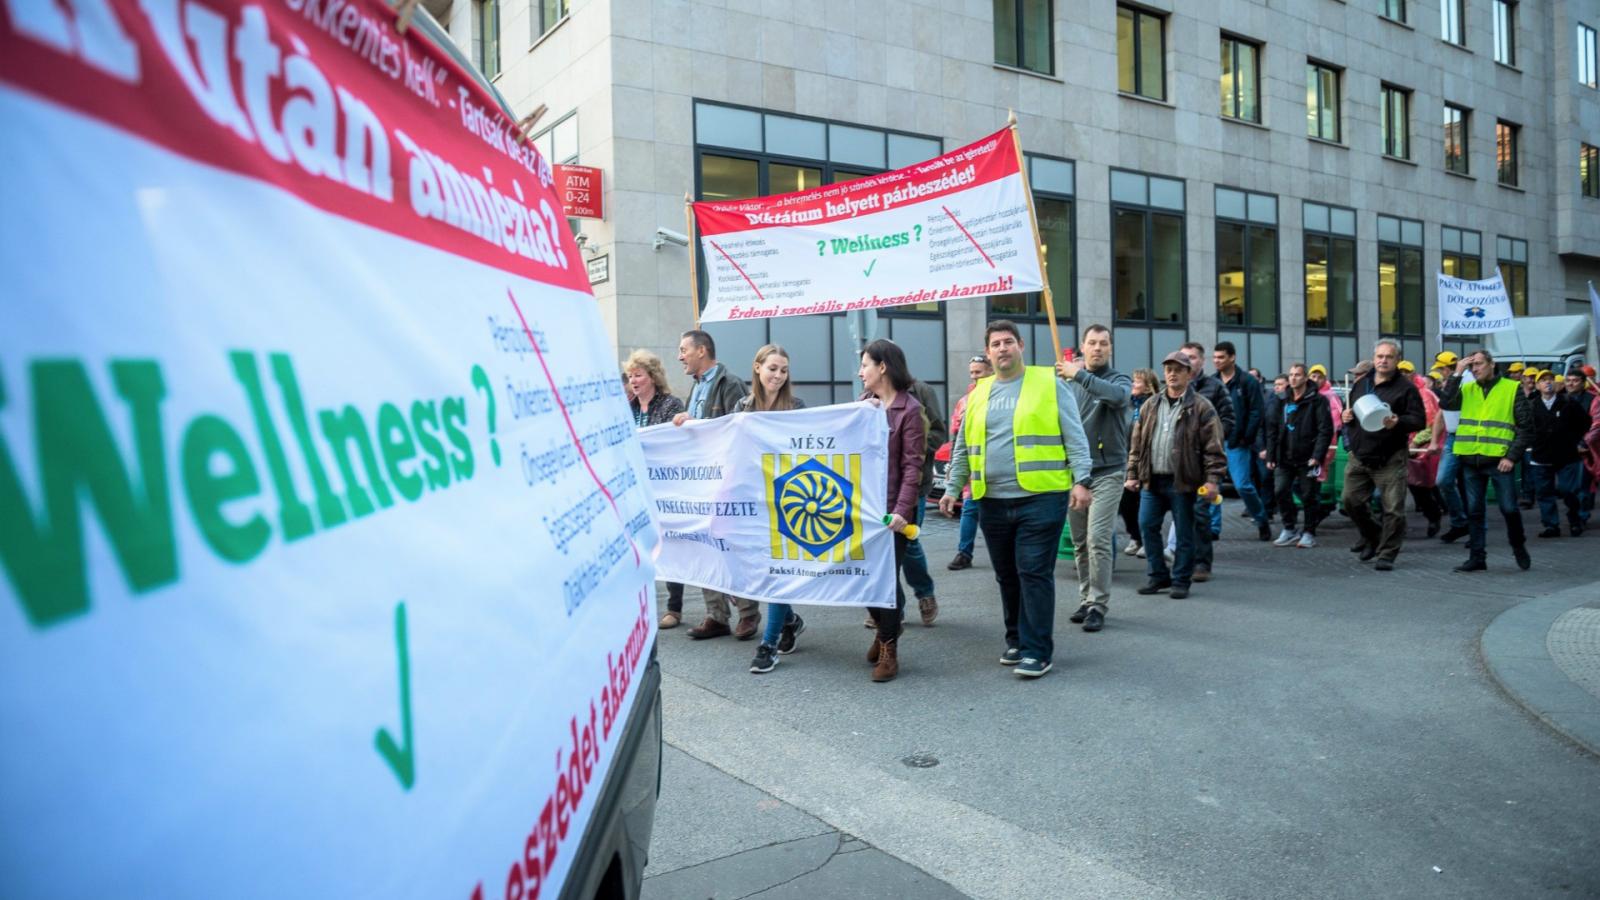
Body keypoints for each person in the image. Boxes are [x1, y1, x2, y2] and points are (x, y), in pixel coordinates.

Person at [940, 320, 1092, 679]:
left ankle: (1038, 650)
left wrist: (1082, 480)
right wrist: (951, 489)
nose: (1003, 348)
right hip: (990, 500)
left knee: (1034, 572)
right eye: (996, 343)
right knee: (1007, 575)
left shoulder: (1049, 384)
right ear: (989, 351)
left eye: (1009, 341)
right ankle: (1016, 640)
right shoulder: (978, 392)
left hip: (1041, 497)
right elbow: (963, 448)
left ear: (1021, 345)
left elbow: (1075, 435)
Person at [673, 329, 759, 639]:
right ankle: (717, 615)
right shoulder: (695, 389)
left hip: (726, 482)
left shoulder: (730, 384)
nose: (680, 356)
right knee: (705, 547)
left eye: (684, 349)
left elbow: (737, 430)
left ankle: (748, 613)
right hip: (701, 482)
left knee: (732, 547)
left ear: (702, 351)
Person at [1125, 350, 1227, 599]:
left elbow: (1214, 448)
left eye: (1178, 369)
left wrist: (1213, 480)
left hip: (1183, 480)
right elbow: (1137, 444)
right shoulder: (1151, 404)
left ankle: (1181, 579)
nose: (1172, 374)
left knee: (1184, 532)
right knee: (1146, 525)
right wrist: (1133, 473)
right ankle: (1158, 575)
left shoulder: (1201, 406)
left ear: (1188, 374)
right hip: (1152, 479)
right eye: (1168, 369)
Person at [737, 346, 813, 674]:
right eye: (772, 368)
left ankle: (768, 646)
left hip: (787, 500)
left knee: (780, 571)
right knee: (765, 572)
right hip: (754, 500)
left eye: (783, 370)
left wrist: (861, 409)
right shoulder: (742, 407)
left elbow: (820, 435)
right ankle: (790, 621)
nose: (778, 376)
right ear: (757, 368)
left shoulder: (796, 407)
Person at [1057, 324, 1133, 634]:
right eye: (1092, 343)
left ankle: (1098, 605)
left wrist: (1078, 374)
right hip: (1075, 473)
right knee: (1079, 542)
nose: (1098, 348)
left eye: (1103, 343)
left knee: (1098, 538)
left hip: (1108, 471)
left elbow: (1118, 398)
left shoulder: (1118, 380)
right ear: (1083, 346)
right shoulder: (1065, 382)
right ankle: (1086, 598)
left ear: (1110, 348)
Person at [859, 339, 927, 682]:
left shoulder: (910, 410)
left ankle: (889, 649)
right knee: (862, 579)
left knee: (883, 581)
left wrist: (902, 511)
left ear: (882, 367)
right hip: (862, 511)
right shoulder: (861, 406)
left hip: (891, 514)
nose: (861, 372)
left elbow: (912, 466)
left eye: (865, 365)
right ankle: (889, 628)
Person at [1439, 350, 1534, 572]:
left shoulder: (1511, 388)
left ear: (1492, 364)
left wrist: (1511, 457)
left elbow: (1526, 428)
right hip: (1471, 458)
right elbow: (1445, 403)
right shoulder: (1467, 387)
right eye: (1472, 366)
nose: (1475, 369)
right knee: (1474, 511)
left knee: (1509, 508)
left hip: (1499, 460)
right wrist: (1457, 374)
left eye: (1479, 364)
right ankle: (1477, 557)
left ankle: (1518, 545)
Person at [1339, 339, 1425, 571]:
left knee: (1393, 509)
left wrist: (1398, 422)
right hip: (1360, 454)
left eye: (1388, 357)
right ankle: (1374, 535)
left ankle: (1387, 553)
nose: (1383, 360)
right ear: (1374, 358)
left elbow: (1419, 420)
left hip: (1390, 456)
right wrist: (1346, 417)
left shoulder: (1406, 388)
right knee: (1350, 501)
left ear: (1397, 360)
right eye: (1379, 356)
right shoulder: (1362, 383)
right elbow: (1351, 413)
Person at [625, 349, 689, 628]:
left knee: (671, 544)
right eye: (630, 376)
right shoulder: (627, 409)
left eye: (638, 375)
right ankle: (640, 605)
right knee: (639, 546)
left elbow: (675, 443)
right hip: (637, 488)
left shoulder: (670, 405)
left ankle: (674, 609)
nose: (633, 381)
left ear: (652, 377)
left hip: (666, 485)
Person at [897, 375, 948, 626]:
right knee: (884, 548)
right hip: (879, 487)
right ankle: (891, 607)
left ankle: (925, 593)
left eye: (866, 365)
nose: (862, 373)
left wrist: (908, 443)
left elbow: (939, 433)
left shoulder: (921, 391)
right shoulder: (868, 397)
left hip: (914, 482)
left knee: (908, 542)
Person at [1180, 342, 1233, 582]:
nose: (1187, 361)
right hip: (1178, 462)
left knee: (1201, 512)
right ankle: (1183, 561)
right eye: (1184, 357)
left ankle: (1202, 563)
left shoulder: (1215, 387)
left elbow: (1229, 419)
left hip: (1204, 461)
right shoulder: (1174, 386)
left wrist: (1213, 442)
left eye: (1191, 357)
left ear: (1201, 361)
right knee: (1183, 515)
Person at [1265, 363, 1332, 548]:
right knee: (1280, 491)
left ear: (1305, 378)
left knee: (1309, 495)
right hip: (1284, 456)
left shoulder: (1317, 401)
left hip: (1308, 457)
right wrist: (1271, 455)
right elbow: (1272, 428)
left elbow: (1325, 430)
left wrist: (1317, 455)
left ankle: (1309, 532)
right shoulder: (1281, 400)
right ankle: (1289, 528)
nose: (1293, 378)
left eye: (1297, 375)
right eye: (1291, 375)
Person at [1212, 341, 1271, 541]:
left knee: (1243, 485)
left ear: (1232, 357)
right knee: (1213, 486)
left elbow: (1257, 412)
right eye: (1214, 357)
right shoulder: (1212, 382)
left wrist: (1246, 437)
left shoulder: (1247, 381)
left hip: (1238, 442)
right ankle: (1213, 528)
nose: (1216, 361)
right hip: (1215, 443)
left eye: (1221, 357)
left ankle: (1262, 520)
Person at [1526, 369, 1590, 539]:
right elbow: (1524, 427)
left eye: (1551, 379)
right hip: (1541, 456)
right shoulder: (1532, 405)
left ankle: (1575, 520)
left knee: (1569, 490)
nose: (1548, 382)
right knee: (1544, 493)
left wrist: (1575, 440)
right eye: (1543, 380)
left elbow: (1585, 422)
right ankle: (1551, 525)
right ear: (1538, 386)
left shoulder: (1568, 402)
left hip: (1566, 455)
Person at [948, 355, 994, 571]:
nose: (975, 376)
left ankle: (1003, 554)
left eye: (979, 372)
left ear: (990, 371)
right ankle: (964, 553)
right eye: (972, 372)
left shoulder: (1000, 395)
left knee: (994, 514)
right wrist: (955, 468)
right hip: (974, 469)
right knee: (969, 510)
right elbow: (957, 437)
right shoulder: (965, 401)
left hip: (997, 470)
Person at [1430, 351, 1471, 543]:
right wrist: (1433, 440)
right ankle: (1461, 522)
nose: (1439, 372)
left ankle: (1470, 527)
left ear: (1447, 368)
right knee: (1445, 481)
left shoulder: (1469, 382)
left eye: (1440, 369)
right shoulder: (1450, 383)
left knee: (1469, 484)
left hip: (1468, 437)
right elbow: (1441, 412)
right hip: (1452, 438)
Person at [1119, 368, 1160, 559]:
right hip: (1127, 459)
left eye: (1137, 381)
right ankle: (1135, 536)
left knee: (1144, 504)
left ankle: (1146, 540)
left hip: (1148, 461)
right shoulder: (1126, 405)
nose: (1133, 384)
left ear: (1147, 385)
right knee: (1125, 504)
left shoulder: (1154, 405)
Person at [1405, 370, 1444, 537]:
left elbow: (1432, 423)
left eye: (1404, 372)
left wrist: (1415, 443)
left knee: (1419, 488)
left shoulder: (1424, 395)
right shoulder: (1401, 391)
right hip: (1401, 445)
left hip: (1418, 448)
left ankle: (1434, 515)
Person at [1308, 364, 1344, 487]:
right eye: (1313, 376)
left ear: (1325, 379)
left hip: (1324, 441)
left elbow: (1335, 422)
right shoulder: (1306, 393)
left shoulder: (1330, 395)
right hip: (1308, 441)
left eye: (1320, 377)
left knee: (1320, 473)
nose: (1316, 379)